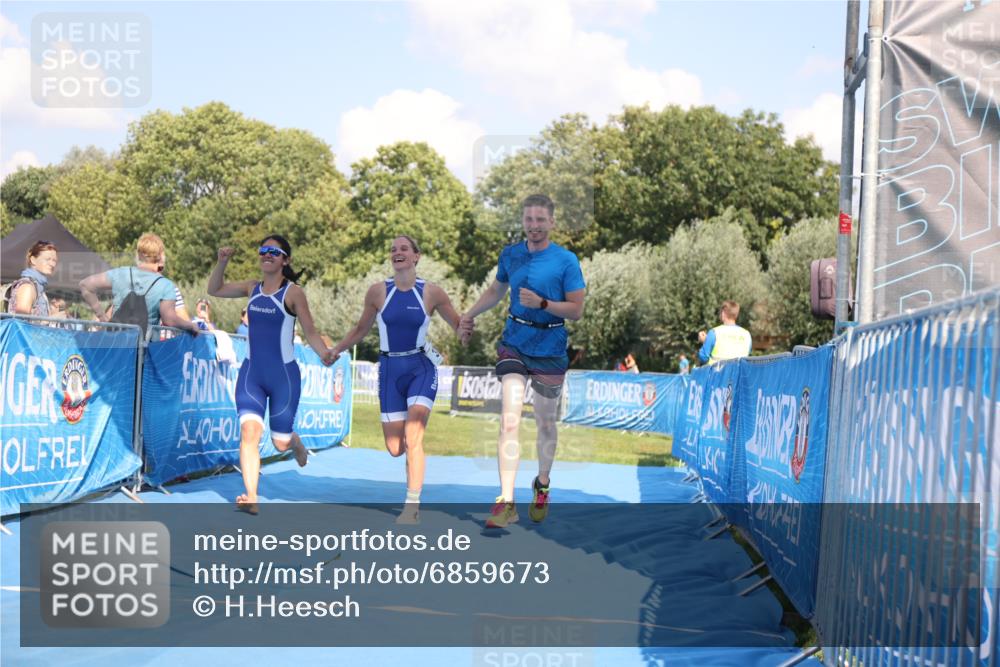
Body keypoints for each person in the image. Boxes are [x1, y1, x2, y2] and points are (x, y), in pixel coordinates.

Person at [459, 194, 586, 528]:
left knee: (545, 423)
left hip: (550, 345)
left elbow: (576, 310)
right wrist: (468, 315)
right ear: (523, 222)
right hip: (514, 342)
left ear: (552, 223)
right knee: (510, 418)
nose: (534, 226)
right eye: (529, 219)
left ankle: (542, 484)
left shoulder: (566, 261)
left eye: (540, 220)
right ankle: (506, 500)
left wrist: (544, 304)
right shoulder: (510, 255)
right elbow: (495, 291)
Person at [330, 235, 462, 523]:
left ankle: (411, 505)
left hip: (420, 367)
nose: (397, 253)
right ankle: (410, 480)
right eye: (393, 250)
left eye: (404, 249)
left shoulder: (432, 293)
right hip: (390, 370)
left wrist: (466, 329)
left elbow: (458, 325)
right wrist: (336, 349)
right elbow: (360, 329)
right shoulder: (378, 292)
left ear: (416, 256)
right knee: (395, 448)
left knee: (414, 436)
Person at [208, 235, 334, 514]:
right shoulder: (252, 288)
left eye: (274, 252)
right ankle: (251, 496)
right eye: (263, 250)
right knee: (249, 431)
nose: (267, 255)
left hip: (284, 378)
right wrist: (222, 262)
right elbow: (214, 289)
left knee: (279, 442)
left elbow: (310, 331)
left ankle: (295, 441)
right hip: (251, 374)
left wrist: (324, 353)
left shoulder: (293, 293)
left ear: (285, 260)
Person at [79, 233, 199, 335]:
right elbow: (169, 320)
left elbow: (85, 285)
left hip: (116, 346)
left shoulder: (121, 273)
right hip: (145, 351)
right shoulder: (166, 285)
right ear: (161, 256)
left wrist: (102, 318)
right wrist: (190, 326)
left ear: (138, 254)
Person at [5, 240, 58, 316]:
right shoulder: (27, 287)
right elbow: (21, 324)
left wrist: (52, 316)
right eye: (47, 259)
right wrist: (52, 320)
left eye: (54, 260)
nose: (52, 264)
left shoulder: (38, 287)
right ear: (33, 260)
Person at [698, 300, 752, 365]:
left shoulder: (714, 333)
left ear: (723, 313)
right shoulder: (747, 335)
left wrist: (705, 342)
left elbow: (703, 358)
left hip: (717, 374)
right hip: (739, 374)